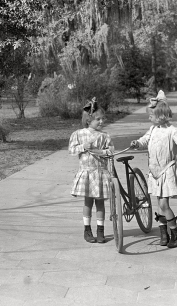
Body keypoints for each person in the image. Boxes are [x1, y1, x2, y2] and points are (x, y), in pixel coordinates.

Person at [130, 90, 177, 248]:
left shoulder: (172, 131)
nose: (149, 118)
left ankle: (174, 234)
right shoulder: (153, 129)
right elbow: (145, 139)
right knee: (159, 204)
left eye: (151, 116)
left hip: (166, 171)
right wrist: (137, 143)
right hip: (154, 173)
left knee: (163, 205)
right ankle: (163, 233)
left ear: (161, 116)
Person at [69, 97, 114, 244]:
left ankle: (100, 231)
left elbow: (110, 151)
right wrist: (83, 147)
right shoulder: (79, 134)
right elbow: (72, 150)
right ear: (89, 120)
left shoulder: (104, 136)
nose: (102, 122)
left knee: (100, 203)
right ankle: (87, 230)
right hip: (87, 172)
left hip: (100, 172)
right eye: (98, 119)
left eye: (103, 119)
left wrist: (103, 152)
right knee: (88, 203)